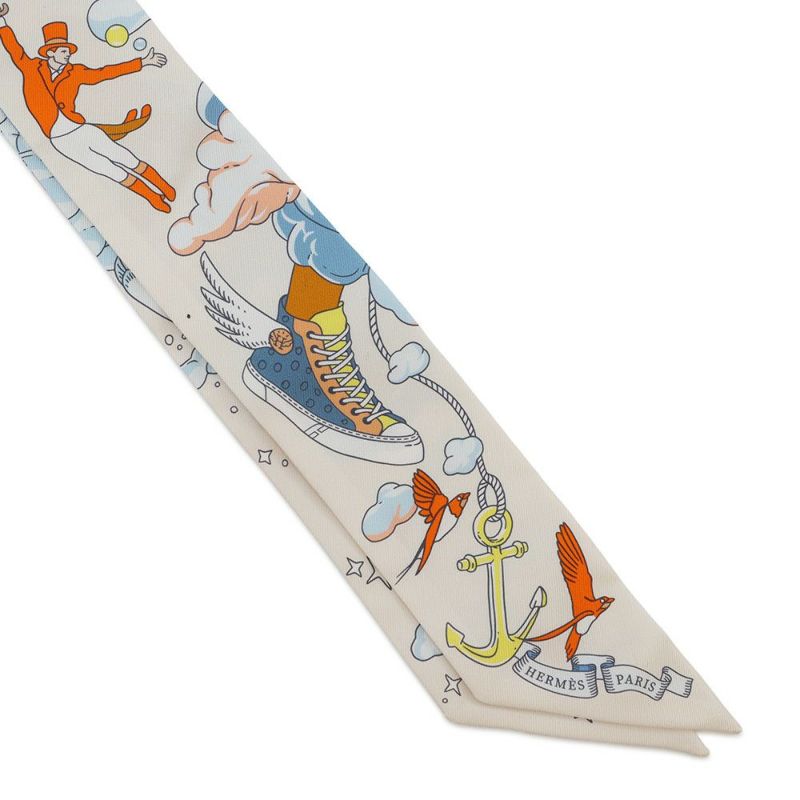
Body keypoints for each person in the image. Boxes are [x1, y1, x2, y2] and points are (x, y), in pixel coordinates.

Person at [0, 5, 175, 213]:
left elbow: (104, 73)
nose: (68, 55)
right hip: (59, 140)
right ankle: (152, 197)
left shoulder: (76, 72)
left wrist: (142, 62)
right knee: (108, 170)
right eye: (64, 51)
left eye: (68, 51)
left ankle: (163, 186)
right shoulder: (31, 67)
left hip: (80, 128)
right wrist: (2, 21)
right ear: (51, 52)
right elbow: (14, 47)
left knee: (123, 156)